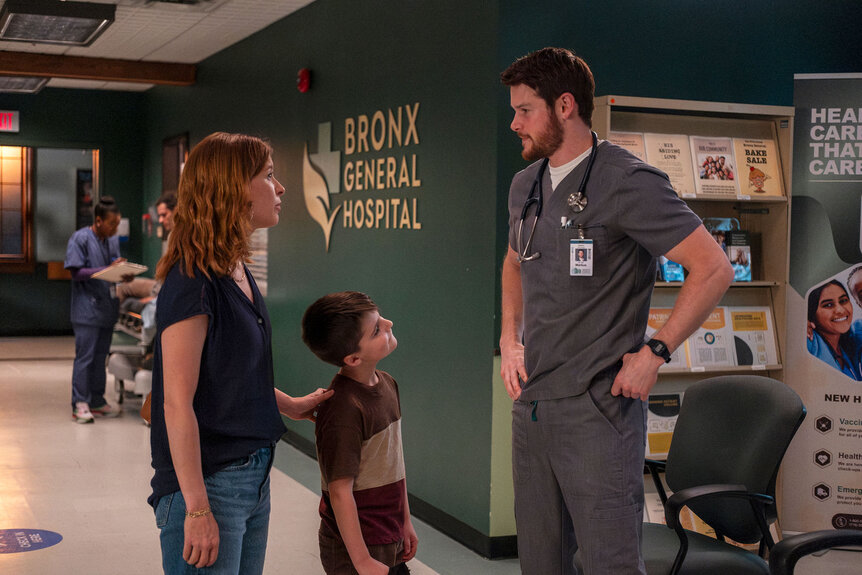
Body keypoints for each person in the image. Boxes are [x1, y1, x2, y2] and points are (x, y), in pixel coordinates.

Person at [499, 47, 734, 574]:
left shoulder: (629, 181)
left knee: (610, 564)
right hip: (533, 407)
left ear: (565, 106)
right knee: (540, 562)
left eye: (524, 110)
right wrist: (510, 339)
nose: (514, 123)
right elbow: (514, 263)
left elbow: (714, 268)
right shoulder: (526, 185)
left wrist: (656, 351)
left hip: (597, 410)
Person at [148, 132, 334, 574]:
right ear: (233, 189)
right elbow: (177, 402)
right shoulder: (192, 280)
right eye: (269, 176)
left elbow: (230, 376)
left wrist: (290, 405)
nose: (281, 188)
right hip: (209, 483)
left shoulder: (235, 268)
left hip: (252, 475)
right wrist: (196, 509)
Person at [301, 291, 418, 575]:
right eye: (377, 329)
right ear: (353, 358)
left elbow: (394, 466)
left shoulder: (388, 384)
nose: (389, 323)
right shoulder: (343, 410)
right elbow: (340, 492)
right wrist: (362, 560)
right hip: (356, 550)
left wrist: (405, 521)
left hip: (390, 534)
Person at [65, 195, 132, 423]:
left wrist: (123, 271)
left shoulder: (111, 240)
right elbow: (76, 272)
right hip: (86, 309)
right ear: (99, 220)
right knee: (85, 357)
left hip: (106, 307)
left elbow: (112, 265)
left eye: (117, 223)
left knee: (100, 356)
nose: (115, 228)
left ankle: (97, 401)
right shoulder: (80, 239)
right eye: (112, 224)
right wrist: (105, 269)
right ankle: (80, 403)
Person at [806, 279, 862, 380]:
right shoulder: (809, 340)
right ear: (812, 312)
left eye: (843, 301)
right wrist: (799, 322)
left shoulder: (850, 342)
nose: (840, 310)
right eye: (828, 305)